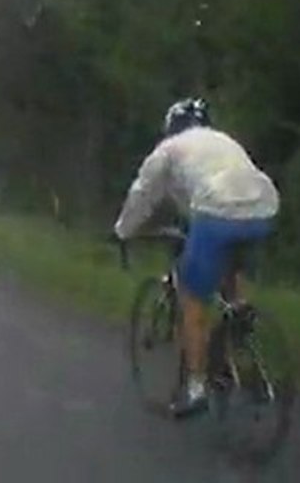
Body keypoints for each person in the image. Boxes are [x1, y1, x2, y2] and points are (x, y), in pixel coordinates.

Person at [113, 98, 279, 417]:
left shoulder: (169, 149)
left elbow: (142, 194)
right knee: (231, 271)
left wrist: (123, 231)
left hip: (216, 212)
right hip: (263, 209)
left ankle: (196, 387)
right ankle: (240, 324)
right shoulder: (222, 140)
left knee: (193, 300)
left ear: (170, 128)